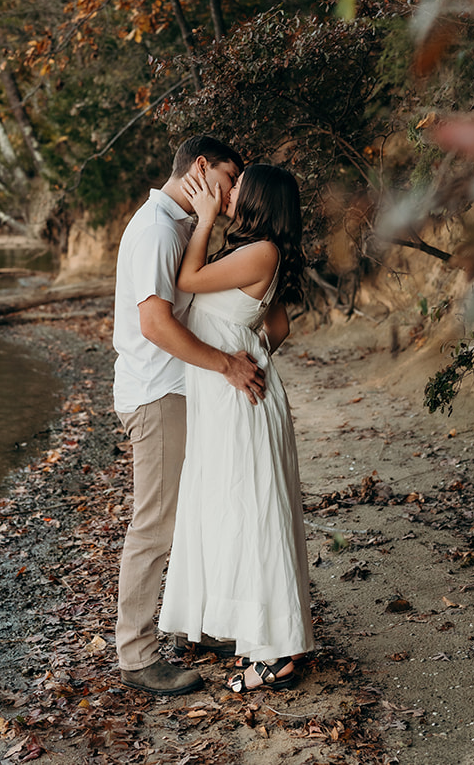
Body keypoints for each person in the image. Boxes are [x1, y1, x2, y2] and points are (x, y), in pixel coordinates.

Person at [112, 136, 266, 696]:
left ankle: (196, 625)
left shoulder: (180, 224)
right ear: (201, 168)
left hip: (179, 390)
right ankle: (135, 654)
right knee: (154, 523)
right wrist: (227, 364)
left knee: (195, 512)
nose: (231, 195)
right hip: (156, 395)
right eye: (229, 178)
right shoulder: (156, 228)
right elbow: (154, 322)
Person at [158, 163, 314, 693]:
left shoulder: (263, 250)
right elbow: (278, 324)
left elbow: (186, 281)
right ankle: (270, 640)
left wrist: (202, 219)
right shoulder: (258, 253)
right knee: (244, 514)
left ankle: (274, 655)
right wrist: (245, 345)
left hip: (238, 402)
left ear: (260, 199)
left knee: (253, 518)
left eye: (241, 183)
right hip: (232, 398)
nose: (230, 188)